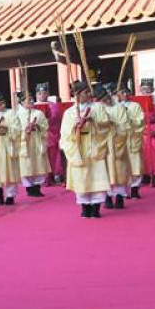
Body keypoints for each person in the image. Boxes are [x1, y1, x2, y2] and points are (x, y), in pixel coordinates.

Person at [60, 80, 112, 218]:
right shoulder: (69, 112)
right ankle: (85, 206)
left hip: (94, 143)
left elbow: (106, 124)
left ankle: (96, 207)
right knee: (81, 176)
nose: (89, 94)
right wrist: (75, 126)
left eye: (89, 92)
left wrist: (93, 121)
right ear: (77, 95)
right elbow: (64, 133)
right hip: (78, 146)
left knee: (96, 175)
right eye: (86, 92)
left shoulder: (98, 107)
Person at [100, 85, 132, 210]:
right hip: (103, 144)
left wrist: (113, 125)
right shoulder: (98, 109)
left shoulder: (119, 108)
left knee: (120, 171)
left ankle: (119, 197)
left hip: (117, 142)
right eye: (103, 98)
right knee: (105, 171)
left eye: (108, 96)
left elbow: (125, 126)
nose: (106, 100)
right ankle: (107, 197)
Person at [0, 92, 21, 206]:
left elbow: (17, 128)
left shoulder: (11, 113)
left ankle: (11, 195)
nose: (2, 105)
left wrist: (7, 128)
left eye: (3, 103)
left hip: (8, 144)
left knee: (9, 171)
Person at [115, 83, 147, 198]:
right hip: (120, 139)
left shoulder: (135, 106)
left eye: (126, 92)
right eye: (122, 92)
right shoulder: (115, 106)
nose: (125, 94)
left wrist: (128, 116)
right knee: (121, 165)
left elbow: (141, 120)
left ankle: (135, 188)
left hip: (132, 137)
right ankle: (123, 190)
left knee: (135, 163)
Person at [17, 92, 50, 197]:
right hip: (24, 142)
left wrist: (38, 127)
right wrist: (25, 130)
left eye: (31, 99)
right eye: (27, 100)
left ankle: (37, 187)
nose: (31, 102)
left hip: (37, 141)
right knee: (26, 165)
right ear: (21, 102)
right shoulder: (17, 115)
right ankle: (29, 187)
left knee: (38, 164)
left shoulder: (39, 113)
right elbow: (14, 130)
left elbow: (45, 126)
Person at [36, 83, 65, 184]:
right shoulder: (34, 107)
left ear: (48, 93)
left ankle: (55, 175)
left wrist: (48, 120)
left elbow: (58, 119)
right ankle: (43, 177)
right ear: (36, 95)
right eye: (39, 93)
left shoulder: (54, 106)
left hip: (51, 134)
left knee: (53, 156)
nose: (42, 95)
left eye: (44, 93)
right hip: (37, 136)